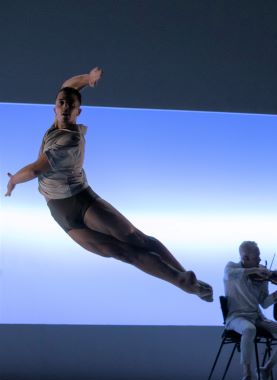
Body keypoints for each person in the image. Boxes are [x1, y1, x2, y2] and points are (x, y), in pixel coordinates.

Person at [4, 68, 212, 301]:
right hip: (61, 213)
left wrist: (13, 181)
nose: (64, 107)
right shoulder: (58, 121)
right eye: (61, 103)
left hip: (82, 200)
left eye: (70, 105)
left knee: (137, 240)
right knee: (123, 253)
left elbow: (35, 169)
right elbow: (70, 85)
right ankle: (182, 279)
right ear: (54, 107)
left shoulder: (68, 139)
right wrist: (87, 80)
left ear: (78, 111)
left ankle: (182, 278)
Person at [224, 241, 277, 380]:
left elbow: (264, 303)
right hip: (236, 317)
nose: (259, 260)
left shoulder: (262, 276)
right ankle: (247, 375)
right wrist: (253, 271)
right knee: (249, 329)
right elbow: (230, 275)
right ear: (245, 258)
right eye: (256, 257)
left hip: (257, 317)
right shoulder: (231, 267)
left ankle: (266, 369)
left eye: (259, 257)